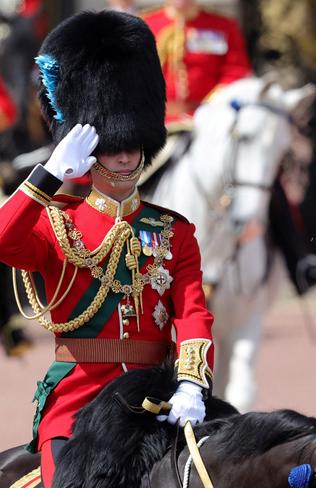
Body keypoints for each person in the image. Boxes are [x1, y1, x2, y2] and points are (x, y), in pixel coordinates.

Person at [0, 11, 214, 487]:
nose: (124, 153)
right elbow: (3, 240)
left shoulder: (172, 231)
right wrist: (49, 174)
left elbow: (193, 314)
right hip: (78, 403)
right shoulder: (57, 222)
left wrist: (193, 382)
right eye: (112, 143)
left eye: (132, 143)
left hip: (156, 400)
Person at [141, 0, 316, 296]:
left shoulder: (221, 27)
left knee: (265, 183)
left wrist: (211, 112)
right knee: (123, 180)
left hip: (210, 125)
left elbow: (235, 74)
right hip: (161, 125)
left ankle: (300, 260)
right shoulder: (146, 26)